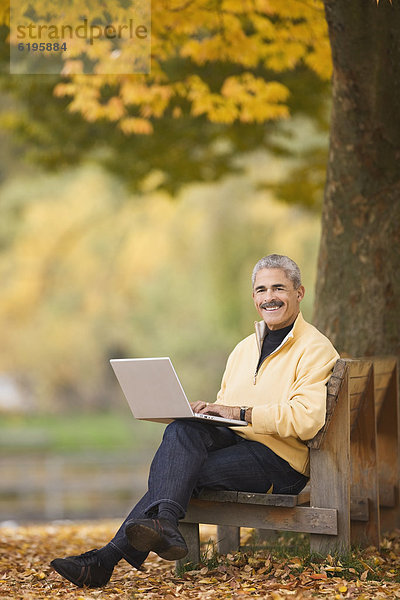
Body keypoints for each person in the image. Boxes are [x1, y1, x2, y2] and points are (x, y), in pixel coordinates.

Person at [50, 253, 339, 588]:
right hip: (241, 443)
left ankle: (108, 558)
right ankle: (164, 525)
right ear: (254, 297)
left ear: (299, 292)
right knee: (181, 429)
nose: (269, 297)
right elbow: (229, 405)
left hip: (281, 462)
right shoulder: (244, 348)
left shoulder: (315, 349)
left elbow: (306, 420)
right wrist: (208, 412)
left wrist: (239, 413)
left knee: (178, 473)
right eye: (261, 290)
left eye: (279, 288)